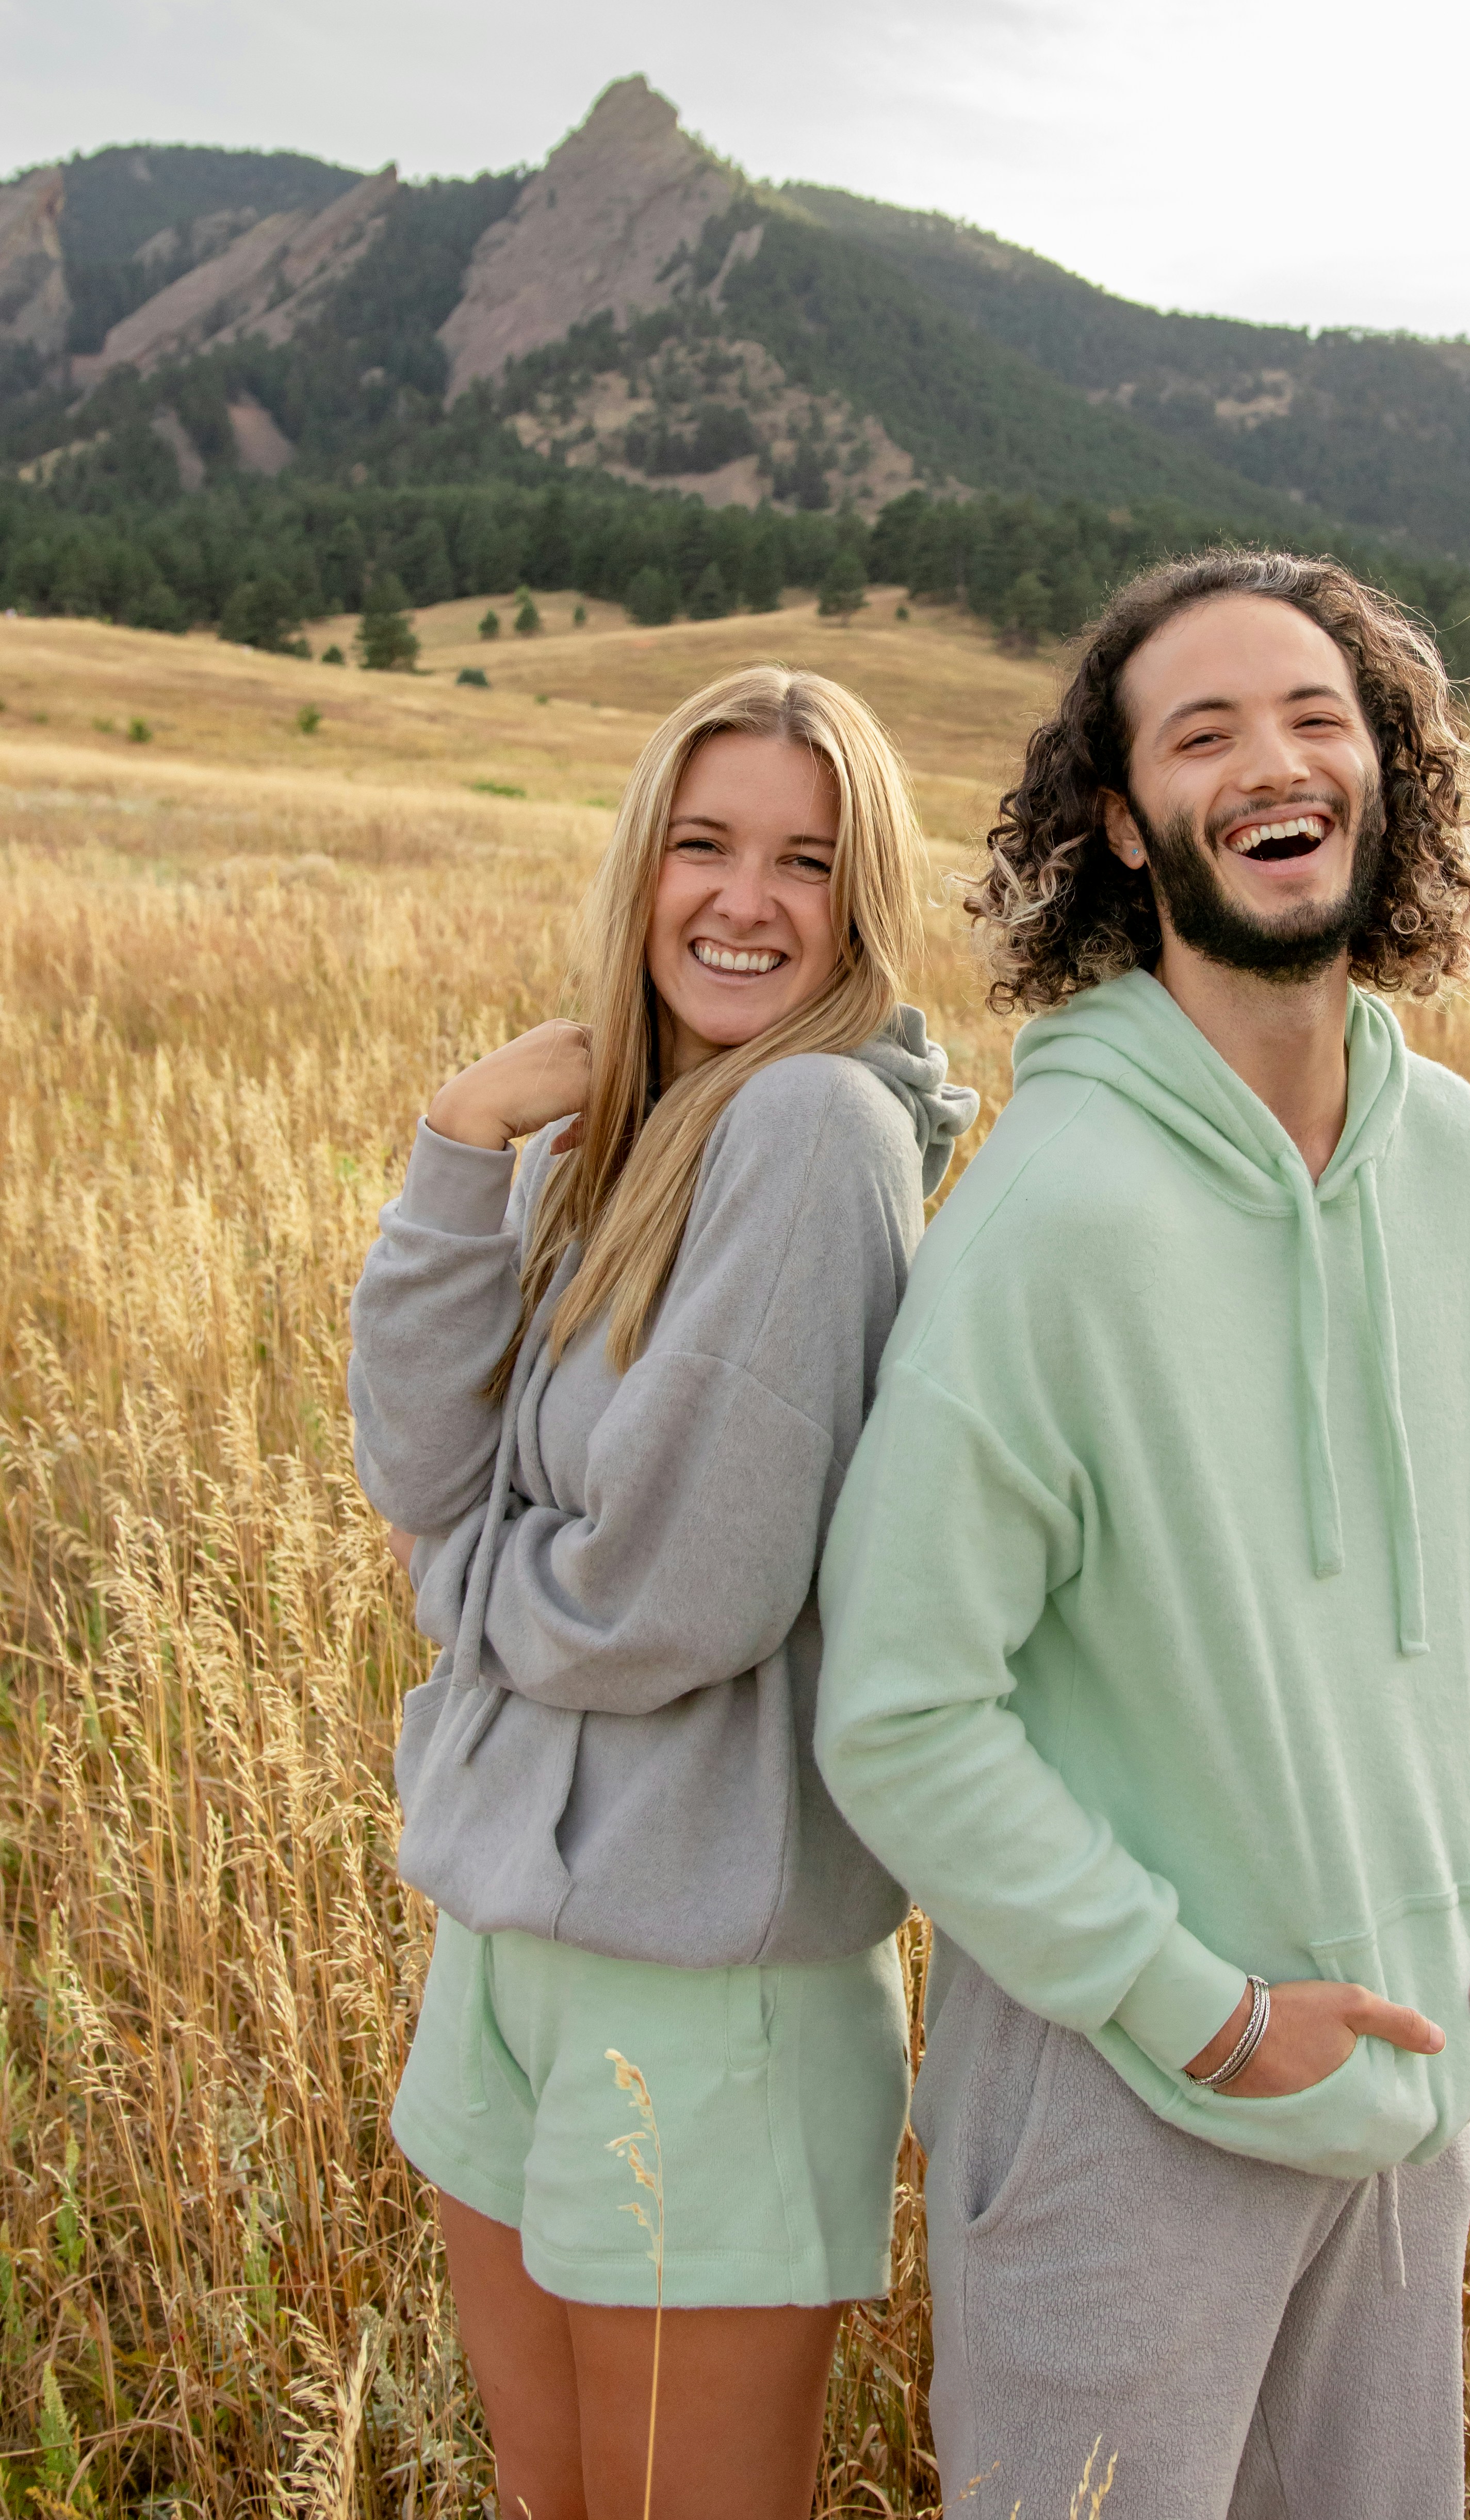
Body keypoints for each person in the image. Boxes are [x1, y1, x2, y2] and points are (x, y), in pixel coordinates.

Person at [815, 551, 1470, 2520]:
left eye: (1318, 717)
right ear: (1127, 824)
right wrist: (1204, 2017)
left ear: (1386, 775)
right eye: (1202, 732)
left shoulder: (1460, 1163)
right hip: (1127, 2108)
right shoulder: (1052, 1210)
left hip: (1408, 2093)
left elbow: (1465, 1574)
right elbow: (900, 1711)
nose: (1270, 762)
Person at [349, 666, 975, 2520]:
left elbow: (666, 1604)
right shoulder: (637, 1127)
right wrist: (464, 1146)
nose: (744, 900)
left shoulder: (809, 1135)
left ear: (861, 905)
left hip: (706, 1986)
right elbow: (416, 1454)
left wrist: (460, 1590)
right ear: (641, 864)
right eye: (703, 844)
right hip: (511, 1933)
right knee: (554, 2499)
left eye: (806, 860)